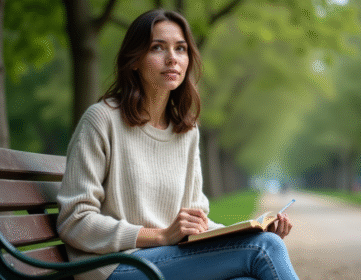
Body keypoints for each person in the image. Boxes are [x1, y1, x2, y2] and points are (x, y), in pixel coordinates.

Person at [56, 9, 299, 280]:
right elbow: (74, 221)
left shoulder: (186, 131)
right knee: (264, 249)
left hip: (168, 260)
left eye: (180, 49)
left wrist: (250, 232)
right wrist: (160, 235)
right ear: (134, 60)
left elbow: (197, 220)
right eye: (158, 47)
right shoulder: (102, 120)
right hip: (113, 266)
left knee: (255, 261)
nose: (172, 58)